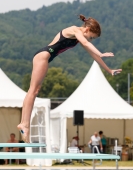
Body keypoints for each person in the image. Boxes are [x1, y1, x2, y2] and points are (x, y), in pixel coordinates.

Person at [17, 14, 122, 143]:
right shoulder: (75, 30)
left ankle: (24, 123)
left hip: (45, 57)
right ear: (88, 29)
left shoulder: (80, 38)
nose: (91, 40)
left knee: (34, 90)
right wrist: (101, 52)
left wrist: (109, 70)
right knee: (33, 90)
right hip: (43, 55)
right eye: (92, 37)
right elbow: (86, 43)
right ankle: (24, 124)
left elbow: (93, 55)